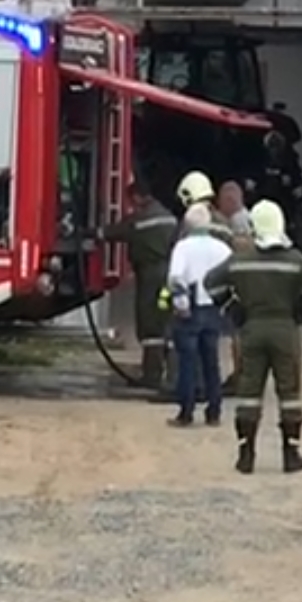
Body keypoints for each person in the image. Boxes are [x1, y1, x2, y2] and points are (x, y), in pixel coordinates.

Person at [226, 199, 302, 473]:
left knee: (249, 392)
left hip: (252, 330)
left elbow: (212, 281)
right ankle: (291, 455)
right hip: (285, 330)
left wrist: (232, 308)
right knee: (289, 393)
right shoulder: (294, 260)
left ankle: (245, 456)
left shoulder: (241, 261)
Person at [98, 181, 178, 394]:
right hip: (169, 275)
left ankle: (152, 374)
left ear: (138, 197)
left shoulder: (141, 218)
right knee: (166, 318)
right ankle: (174, 374)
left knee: (149, 322)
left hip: (150, 276)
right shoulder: (169, 216)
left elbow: (115, 232)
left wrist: (91, 232)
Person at [162, 203, 233, 427]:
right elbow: (232, 277)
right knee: (211, 361)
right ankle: (214, 412)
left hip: (189, 308)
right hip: (213, 307)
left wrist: (179, 302)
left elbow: (175, 278)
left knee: (187, 361)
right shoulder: (222, 248)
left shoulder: (183, 248)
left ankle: (186, 411)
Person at [214, 180, 254, 396]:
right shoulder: (246, 219)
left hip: (245, 285)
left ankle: (241, 376)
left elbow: (241, 251)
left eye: (222, 201)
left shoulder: (239, 223)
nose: (220, 206)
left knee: (239, 333)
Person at [258, 130, 302, 237]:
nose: (274, 150)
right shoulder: (261, 161)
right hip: (265, 198)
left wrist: (299, 191)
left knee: (288, 226)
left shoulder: (289, 161)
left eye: (277, 146)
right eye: (272, 146)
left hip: (284, 199)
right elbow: (255, 175)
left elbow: (296, 176)